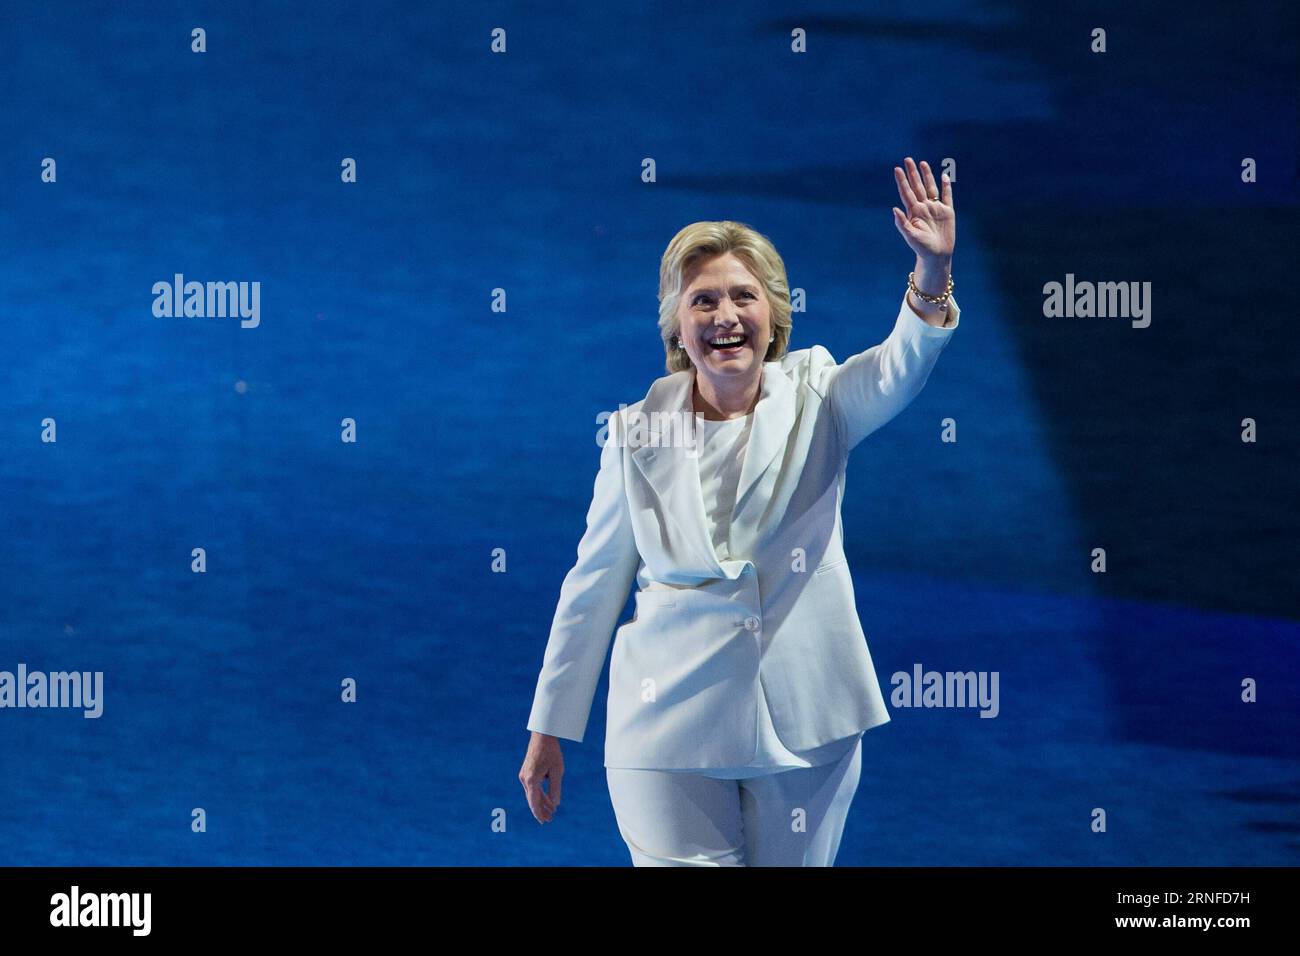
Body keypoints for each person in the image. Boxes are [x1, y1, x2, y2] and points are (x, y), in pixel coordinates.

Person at [520, 157, 960, 865]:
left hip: (807, 724)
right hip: (665, 728)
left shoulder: (822, 395)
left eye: (743, 298)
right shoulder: (635, 432)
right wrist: (550, 727)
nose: (725, 317)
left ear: (774, 314)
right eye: (703, 301)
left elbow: (899, 369)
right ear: (677, 323)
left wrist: (932, 276)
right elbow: (593, 582)